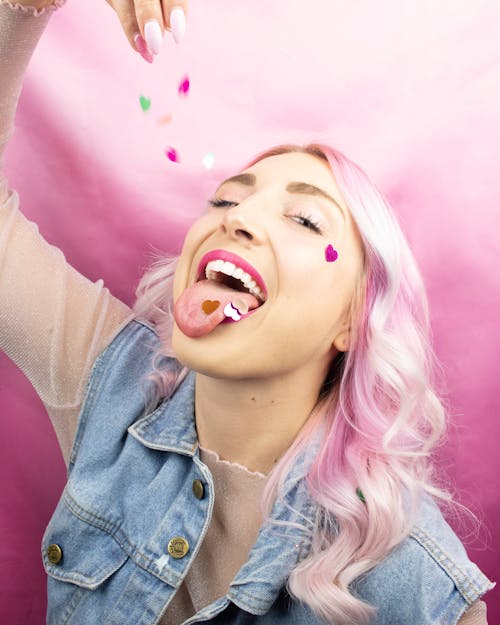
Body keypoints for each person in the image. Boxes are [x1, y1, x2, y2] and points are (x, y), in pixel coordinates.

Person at [0, 1, 494, 624]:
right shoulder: (114, 385)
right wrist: (21, 9)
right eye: (227, 199)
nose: (238, 218)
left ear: (352, 322)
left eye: (304, 219)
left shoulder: (411, 579)